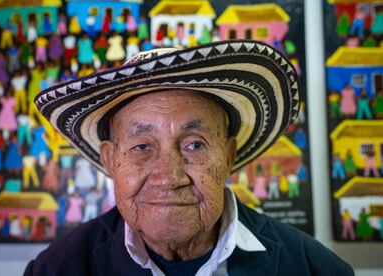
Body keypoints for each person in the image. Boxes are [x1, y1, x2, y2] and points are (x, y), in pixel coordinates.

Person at [24, 40, 353, 275]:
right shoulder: (55, 269)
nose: (168, 176)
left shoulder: (316, 268)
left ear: (228, 155)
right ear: (110, 160)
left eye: (194, 144)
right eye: (142, 146)